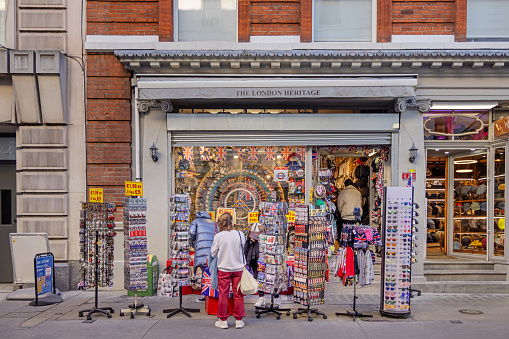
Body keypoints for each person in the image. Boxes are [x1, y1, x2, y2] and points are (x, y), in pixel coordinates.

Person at [210, 213, 246, 329]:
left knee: (223, 294)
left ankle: (223, 320)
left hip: (224, 268)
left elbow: (213, 253)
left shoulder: (219, 236)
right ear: (232, 222)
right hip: (238, 268)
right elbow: (243, 249)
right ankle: (239, 320)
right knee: (238, 294)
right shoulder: (240, 234)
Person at [189, 211, 216, 302]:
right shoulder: (214, 223)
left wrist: (192, 244)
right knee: (212, 273)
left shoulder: (196, 222)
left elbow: (191, 233)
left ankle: (206, 295)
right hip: (213, 252)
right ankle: (213, 293)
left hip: (201, 251)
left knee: (205, 273)